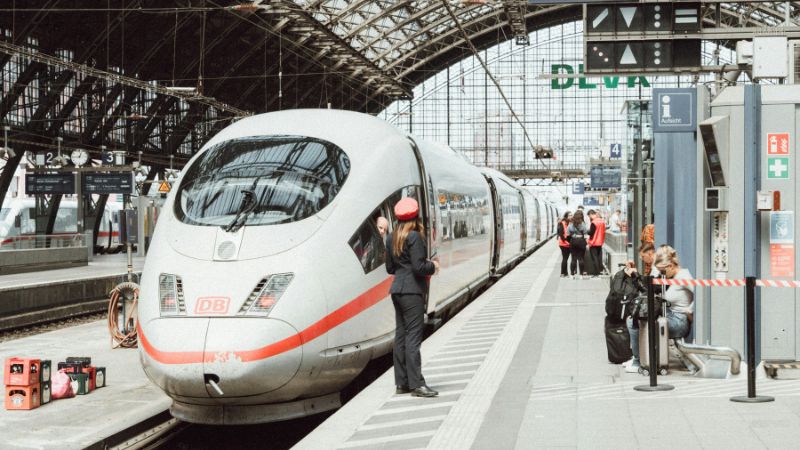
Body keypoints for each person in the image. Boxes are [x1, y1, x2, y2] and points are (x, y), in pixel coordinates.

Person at [385, 197, 440, 397]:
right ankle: (417, 384)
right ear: (415, 216)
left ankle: (402, 383)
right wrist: (432, 266)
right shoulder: (414, 236)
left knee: (401, 336)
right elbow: (418, 268)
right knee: (413, 337)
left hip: (397, 291)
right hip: (412, 291)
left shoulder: (391, 238)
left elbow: (390, 268)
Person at [624, 245, 694, 373]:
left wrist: (690, 310)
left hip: (679, 321)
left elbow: (700, 292)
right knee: (633, 320)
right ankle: (638, 359)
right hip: (669, 315)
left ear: (671, 266)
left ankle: (638, 361)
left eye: (663, 271)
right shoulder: (672, 277)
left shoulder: (683, 276)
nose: (662, 274)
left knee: (638, 323)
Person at [567, 209, 589, 278]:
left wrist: (571, 240)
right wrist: (587, 243)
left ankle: (572, 275)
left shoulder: (570, 224)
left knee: (573, 259)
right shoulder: (583, 224)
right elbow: (586, 235)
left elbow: (568, 235)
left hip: (573, 241)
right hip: (581, 241)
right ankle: (581, 275)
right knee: (581, 259)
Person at [587, 209, 606, 276]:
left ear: (591, 214)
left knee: (594, 258)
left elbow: (591, 233)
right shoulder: (602, 221)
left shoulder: (594, 222)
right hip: (600, 242)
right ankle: (600, 270)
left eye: (589, 216)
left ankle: (597, 273)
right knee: (599, 257)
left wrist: (587, 231)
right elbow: (604, 231)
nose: (589, 217)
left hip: (594, 242)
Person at [556, 211, 572, 278]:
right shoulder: (561, 223)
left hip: (568, 243)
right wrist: (566, 242)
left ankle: (565, 273)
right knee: (565, 258)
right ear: (566, 216)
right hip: (563, 244)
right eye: (570, 215)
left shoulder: (569, 223)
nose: (571, 216)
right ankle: (563, 273)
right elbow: (561, 234)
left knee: (566, 258)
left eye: (571, 215)